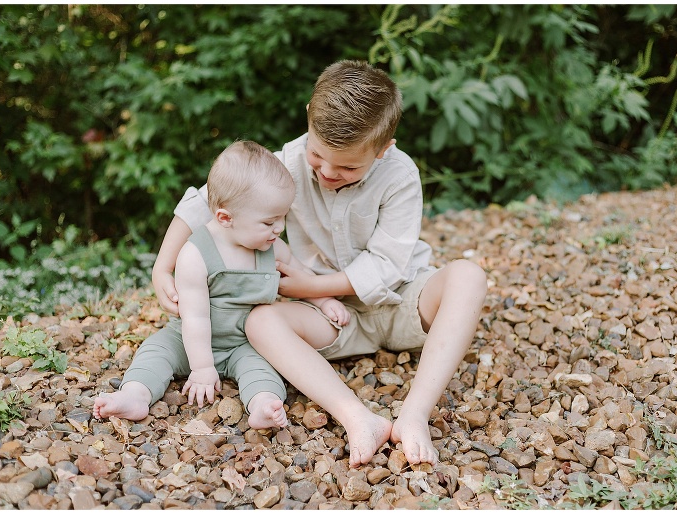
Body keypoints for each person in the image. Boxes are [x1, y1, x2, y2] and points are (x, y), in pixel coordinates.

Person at [153, 60, 488, 467]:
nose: (328, 172)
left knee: (468, 277)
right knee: (259, 321)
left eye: (348, 167)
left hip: (403, 303)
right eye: (318, 155)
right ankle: (357, 417)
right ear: (309, 124)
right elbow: (209, 199)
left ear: (384, 149)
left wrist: (304, 287)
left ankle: (414, 414)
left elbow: (388, 266)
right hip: (326, 319)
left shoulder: (399, 175)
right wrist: (163, 266)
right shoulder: (290, 161)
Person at [93, 141, 350, 429]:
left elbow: (300, 275)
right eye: (269, 222)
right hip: (187, 337)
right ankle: (134, 395)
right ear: (225, 218)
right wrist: (202, 368)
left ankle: (263, 405)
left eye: (282, 218)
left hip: (244, 341)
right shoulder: (196, 254)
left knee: (264, 370)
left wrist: (324, 301)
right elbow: (196, 318)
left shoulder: (271, 247)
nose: (279, 228)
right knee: (155, 352)